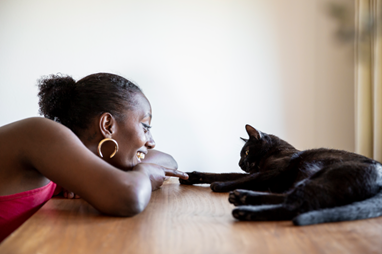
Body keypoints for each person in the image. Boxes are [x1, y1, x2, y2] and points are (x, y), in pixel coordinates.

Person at [0, 73, 188, 242]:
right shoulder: (39, 133)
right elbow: (130, 198)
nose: (151, 142)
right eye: (145, 127)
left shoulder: (68, 160)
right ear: (107, 125)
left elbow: (168, 161)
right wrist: (144, 173)